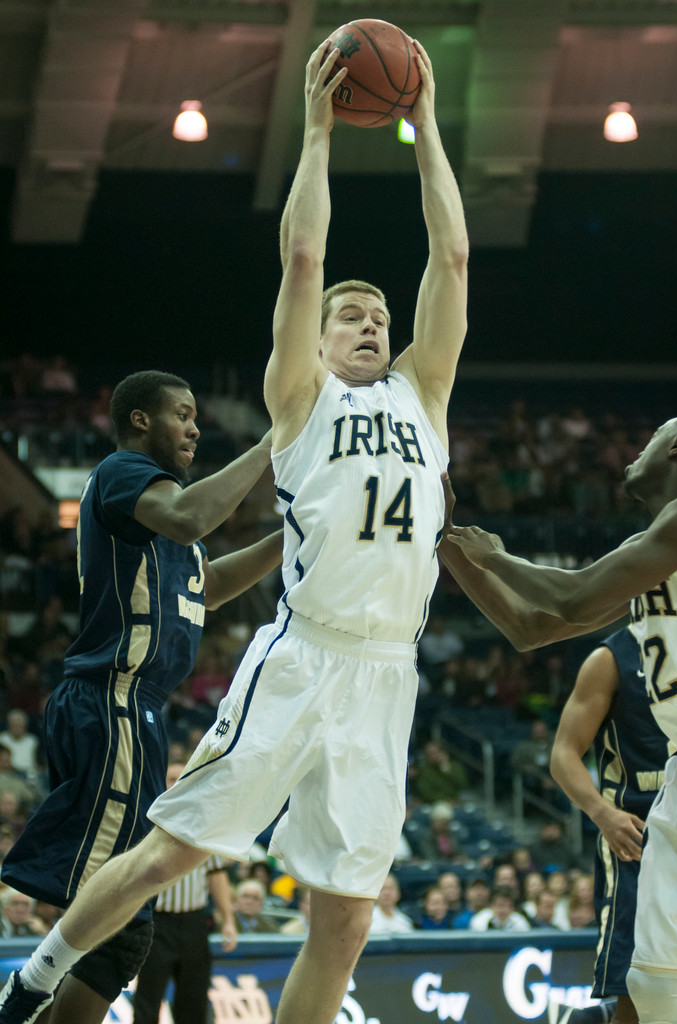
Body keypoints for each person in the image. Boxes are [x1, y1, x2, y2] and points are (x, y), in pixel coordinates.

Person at [0, 34, 468, 1024]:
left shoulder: (423, 396)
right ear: (315, 338)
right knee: (172, 852)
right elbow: (303, 251)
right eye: (348, 314)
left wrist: (422, 126)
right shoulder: (298, 400)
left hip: (389, 671)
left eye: (377, 313)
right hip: (303, 658)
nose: (369, 321)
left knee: (344, 917)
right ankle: (34, 978)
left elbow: (452, 253)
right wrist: (314, 131)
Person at [0, 368, 282, 1024]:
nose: (195, 427)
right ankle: (23, 1000)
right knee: (114, 911)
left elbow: (205, 587)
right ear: (139, 421)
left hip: (133, 711)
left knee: (124, 930)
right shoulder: (124, 473)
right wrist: (273, 444)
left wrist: (299, 539)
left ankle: (32, 1000)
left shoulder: (162, 520)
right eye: (181, 414)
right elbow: (189, 517)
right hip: (113, 700)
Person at [438, 416, 677, 1024]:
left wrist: (494, 553)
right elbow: (533, 627)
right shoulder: (650, 554)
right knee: (651, 983)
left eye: (649, 435)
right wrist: (449, 545)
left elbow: (569, 595)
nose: (635, 447)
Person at [551, 627, 669, 1023]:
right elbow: (563, 754)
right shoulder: (611, 658)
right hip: (636, 837)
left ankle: (593, 1019)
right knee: (632, 989)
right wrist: (604, 814)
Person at [132, 761, 237, 1024]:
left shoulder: (204, 823)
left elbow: (217, 874)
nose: (177, 783)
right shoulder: (146, 820)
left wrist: (229, 920)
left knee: (194, 1000)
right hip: (156, 923)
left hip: (194, 922)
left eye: (182, 777)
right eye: (171, 778)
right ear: (160, 783)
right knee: (148, 1000)